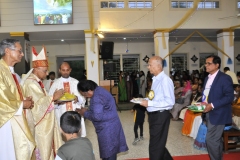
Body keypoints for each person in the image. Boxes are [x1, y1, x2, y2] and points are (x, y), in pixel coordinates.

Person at [21, 46, 64, 160]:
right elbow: (36, 106)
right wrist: (52, 98)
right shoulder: (30, 83)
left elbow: (41, 100)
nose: (47, 73)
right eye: (44, 71)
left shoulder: (37, 82)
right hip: (40, 126)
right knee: (43, 151)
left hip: (45, 123)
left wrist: (54, 100)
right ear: (36, 69)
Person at [0, 39, 36, 160]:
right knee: (8, 152)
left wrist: (25, 100)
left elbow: (11, 95)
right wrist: (22, 104)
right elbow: (1, 100)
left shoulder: (13, 73)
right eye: (19, 51)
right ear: (7, 51)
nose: (22, 54)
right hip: (6, 121)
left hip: (16, 117)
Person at [76, 80, 129, 160]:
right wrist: (87, 110)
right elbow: (100, 110)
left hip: (107, 129)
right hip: (112, 125)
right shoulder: (99, 90)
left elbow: (97, 116)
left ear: (89, 90)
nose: (85, 96)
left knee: (109, 153)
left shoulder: (97, 97)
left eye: (84, 94)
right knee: (110, 151)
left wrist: (85, 113)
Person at [140, 56, 175, 160]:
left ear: (159, 66)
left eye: (150, 65)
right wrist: (144, 100)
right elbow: (155, 97)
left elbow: (170, 102)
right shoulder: (156, 79)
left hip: (160, 115)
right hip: (154, 115)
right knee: (158, 144)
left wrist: (149, 104)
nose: (148, 67)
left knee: (155, 147)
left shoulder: (165, 80)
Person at [203, 55, 234, 160]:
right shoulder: (207, 78)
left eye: (209, 63)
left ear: (217, 65)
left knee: (211, 139)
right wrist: (202, 103)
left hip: (219, 113)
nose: (206, 65)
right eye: (206, 63)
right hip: (208, 113)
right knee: (216, 139)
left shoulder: (224, 78)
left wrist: (212, 105)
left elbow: (229, 97)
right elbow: (206, 94)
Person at [49, 62, 86, 137]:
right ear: (59, 70)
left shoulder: (76, 82)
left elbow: (83, 98)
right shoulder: (55, 84)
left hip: (75, 111)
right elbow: (50, 101)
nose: (65, 72)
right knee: (62, 138)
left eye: (67, 70)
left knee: (77, 136)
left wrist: (77, 98)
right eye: (63, 70)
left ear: (70, 70)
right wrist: (57, 102)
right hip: (61, 112)